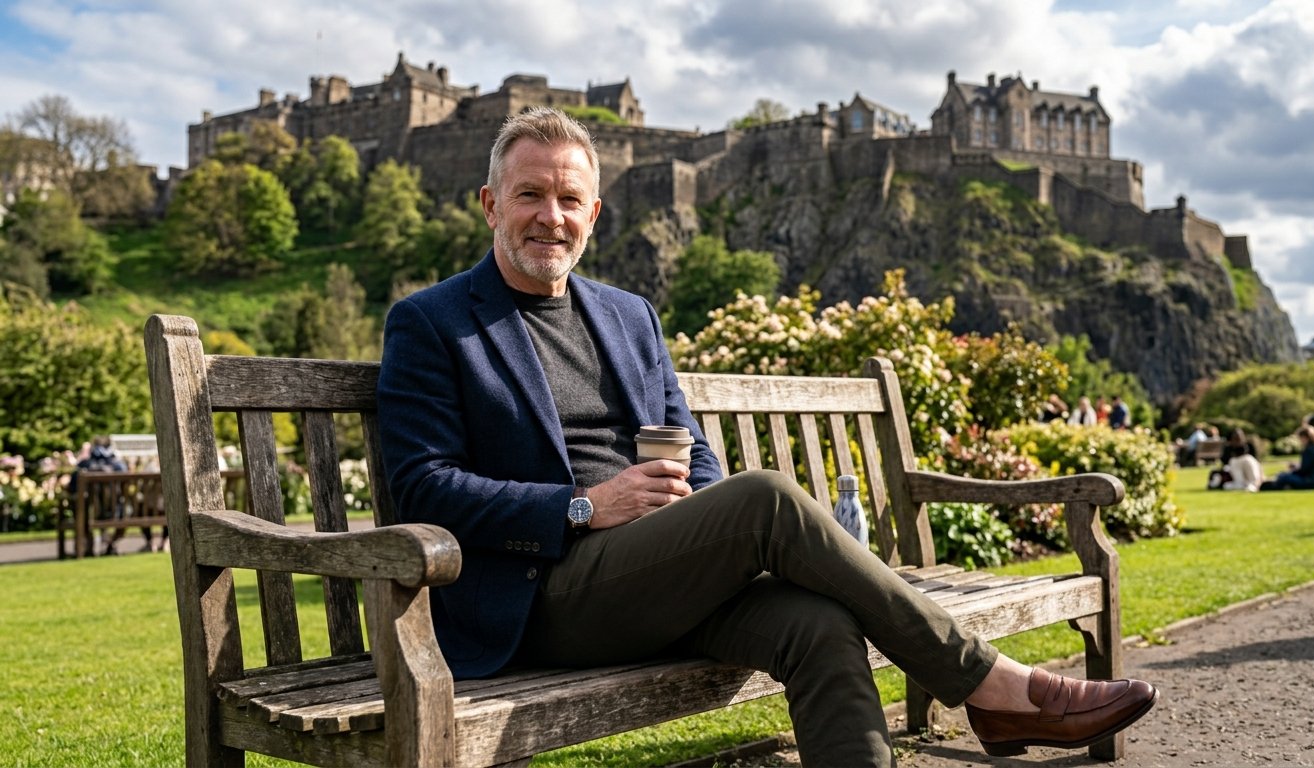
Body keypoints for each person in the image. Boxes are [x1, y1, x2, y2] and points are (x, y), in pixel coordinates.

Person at [376, 107, 1156, 766]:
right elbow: (423, 485)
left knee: (820, 625)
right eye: (530, 195)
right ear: (491, 204)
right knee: (765, 499)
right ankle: (993, 687)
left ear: (595, 214)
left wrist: (701, 530)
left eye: (569, 199)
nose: (552, 216)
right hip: (539, 600)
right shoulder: (432, 322)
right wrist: (583, 506)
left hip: (657, 577)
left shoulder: (627, 315)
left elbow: (692, 448)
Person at [1260, 425, 1314, 491]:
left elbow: (1303, 471)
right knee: (1286, 476)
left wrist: (1291, 472)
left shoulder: (1309, 450)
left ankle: (1272, 486)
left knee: (1284, 476)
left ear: (1305, 438)